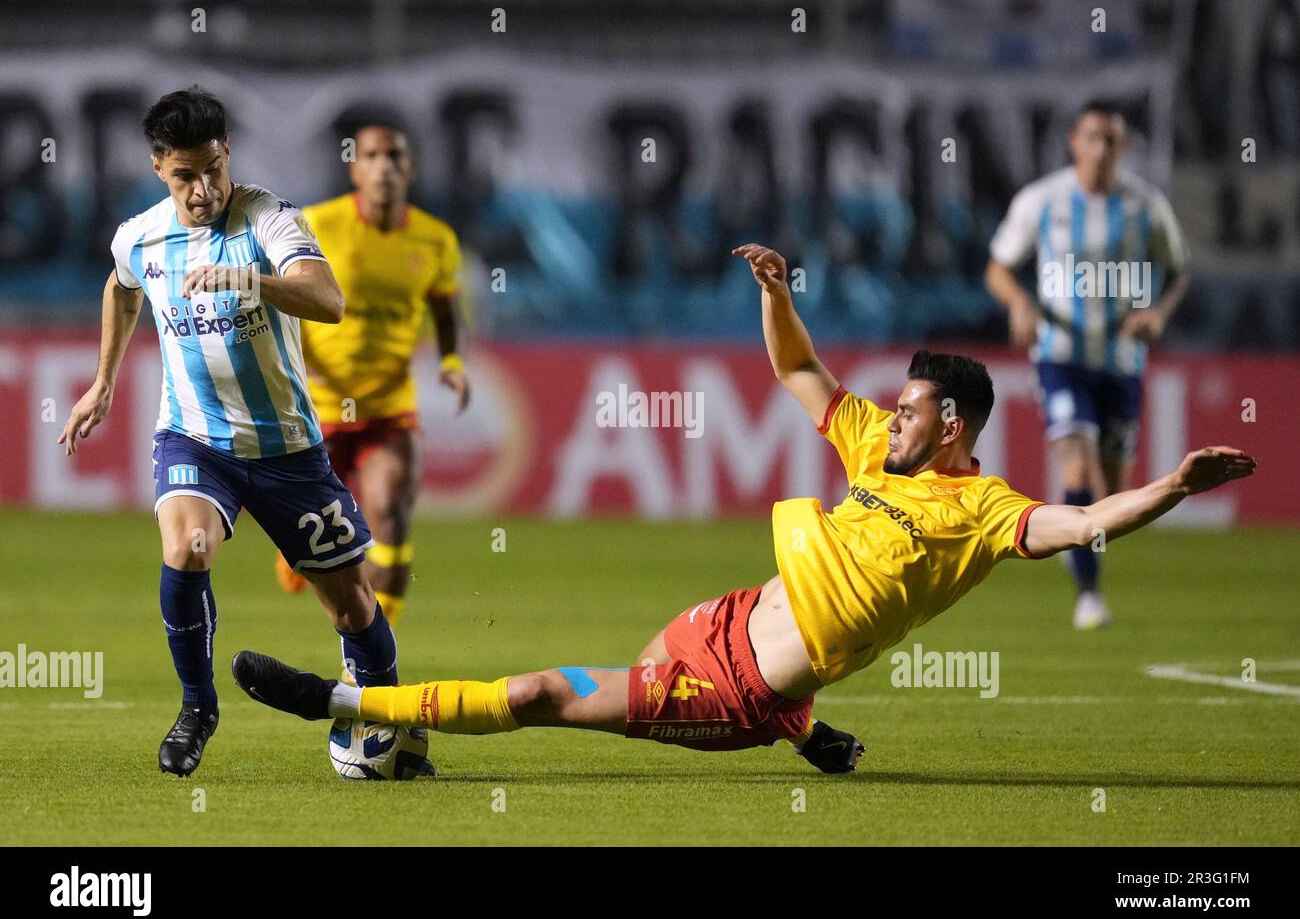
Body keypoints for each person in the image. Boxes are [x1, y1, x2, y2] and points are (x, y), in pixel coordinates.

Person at [231, 244, 1252, 772]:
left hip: (737, 696)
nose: (887, 417)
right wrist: (774, 291)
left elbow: (1081, 525)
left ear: (954, 425)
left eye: (908, 409)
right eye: (893, 404)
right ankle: (813, 730)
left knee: (544, 690)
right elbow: (801, 370)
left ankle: (341, 704)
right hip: (713, 618)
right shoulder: (872, 449)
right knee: (581, 679)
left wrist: (1167, 486)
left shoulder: (984, 507)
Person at [59, 88, 419, 777]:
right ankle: (198, 707)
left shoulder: (270, 218)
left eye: (213, 168)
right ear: (158, 168)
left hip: (287, 449)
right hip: (196, 441)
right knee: (188, 548)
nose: (203, 189)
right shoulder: (140, 236)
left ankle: (392, 721)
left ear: (228, 155)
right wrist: (102, 382)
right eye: (184, 176)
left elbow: (328, 300)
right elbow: (121, 285)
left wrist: (250, 279)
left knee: (351, 603)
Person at [985, 100, 1190, 629]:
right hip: (1060, 354)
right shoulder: (1043, 200)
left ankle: (1063, 525)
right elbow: (998, 268)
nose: (1102, 148)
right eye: (1093, 137)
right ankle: (1090, 595)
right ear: (1074, 141)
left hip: (1122, 359)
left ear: (1123, 148)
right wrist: (1021, 304)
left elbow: (1178, 271)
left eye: (1113, 140)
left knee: (1115, 488)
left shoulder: (1146, 205)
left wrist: (1158, 314)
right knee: (1077, 465)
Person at [274, 121, 469, 632]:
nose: (384, 167)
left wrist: (451, 363)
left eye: (395, 157)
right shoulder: (316, 224)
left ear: (410, 169)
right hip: (314, 405)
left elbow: (446, 311)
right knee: (314, 539)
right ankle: (300, 554)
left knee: (390, 513)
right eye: (374, 156)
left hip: (387, 405)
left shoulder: (435, 239)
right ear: (354, 167)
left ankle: (370, 658)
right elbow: (283, 298)